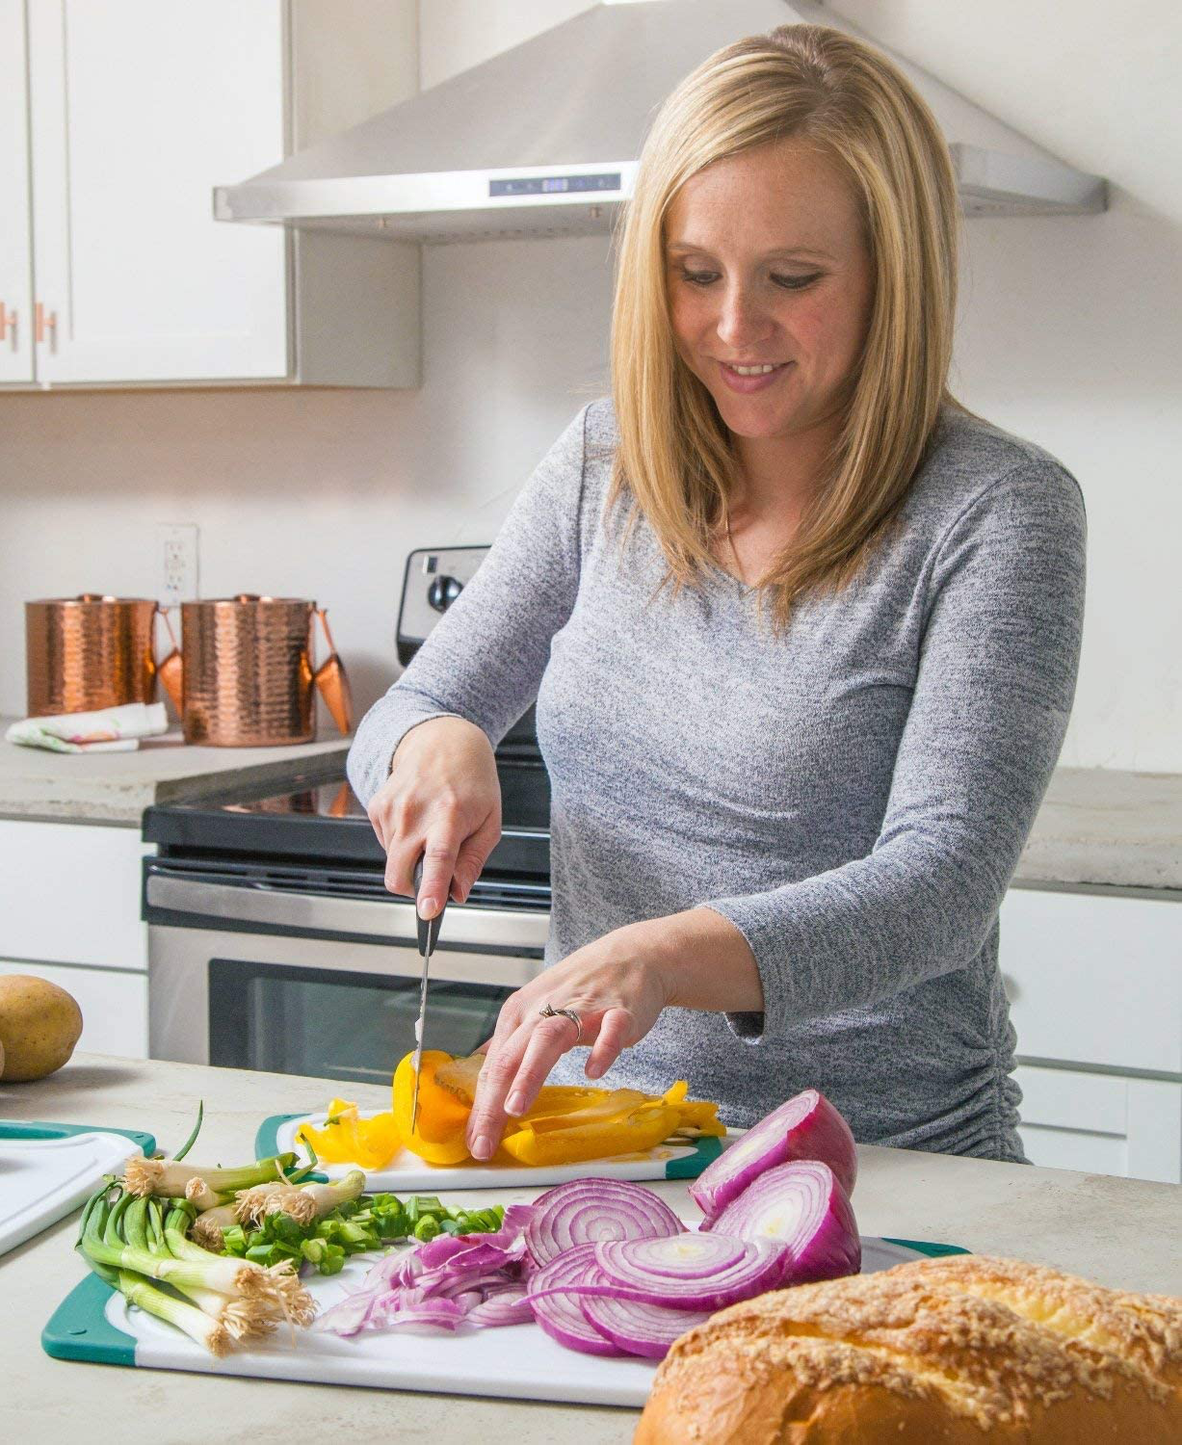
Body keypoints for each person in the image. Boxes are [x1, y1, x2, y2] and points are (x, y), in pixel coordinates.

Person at [345, 24, 1085, 1164]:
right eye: (695, 274)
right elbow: (413, 703)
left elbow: (940, 882)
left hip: (880, 1166)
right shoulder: (603, 465)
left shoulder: (996, 511)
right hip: (606, 1147)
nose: (733, 327)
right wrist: (431, 740)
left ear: (894, 274)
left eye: (792, 278)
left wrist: (657, 953)